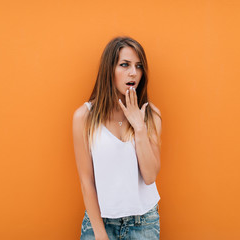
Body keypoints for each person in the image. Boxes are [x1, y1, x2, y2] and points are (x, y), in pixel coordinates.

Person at [72, 36, 162, 240]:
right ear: (109, 70)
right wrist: (100, 233)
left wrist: (139, 127)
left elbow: (149, 176)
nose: (133, 72)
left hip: (144, 223)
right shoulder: (84, 117)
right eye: (125, 65)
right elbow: (86, 182)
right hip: (99, 223)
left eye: (138, 66)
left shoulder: (151, 115)